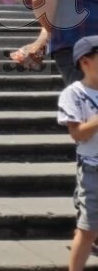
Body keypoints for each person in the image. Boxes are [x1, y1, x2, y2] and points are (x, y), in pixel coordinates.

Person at [57, 35, 98, 271]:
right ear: (85, 61)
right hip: (92, 167)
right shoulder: (74, 93)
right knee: (88, 229)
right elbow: (77, 134)